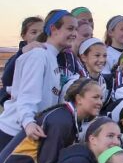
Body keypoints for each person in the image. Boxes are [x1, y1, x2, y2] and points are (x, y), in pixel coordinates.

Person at [0, 79, 104, 163]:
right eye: (95, 97)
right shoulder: (61, 121)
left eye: (101, 98)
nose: (100, 102)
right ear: (79, 98)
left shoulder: (67, 117)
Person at [0, 10, 76, 149]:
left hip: (27, 131)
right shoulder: (39, 56)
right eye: (70, 28)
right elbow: (27, 94)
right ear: (53, 29)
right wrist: (28, 122)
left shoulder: (51, 57)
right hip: (13, 132)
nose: (74, 34)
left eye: (75, 29)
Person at [0, 16, 43, 103]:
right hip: (22, 104)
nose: (39, 35)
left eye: (42, 32)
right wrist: (21, 53)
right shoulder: (17, 57)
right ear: (24, 36)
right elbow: (6, 80)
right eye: (34, 32)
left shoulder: (50, 55)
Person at [78, 38, 111, 106]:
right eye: (97, 55)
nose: (102, 60)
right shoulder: (75, 81)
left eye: (104, 56)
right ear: (83, 57)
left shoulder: (106, 82)